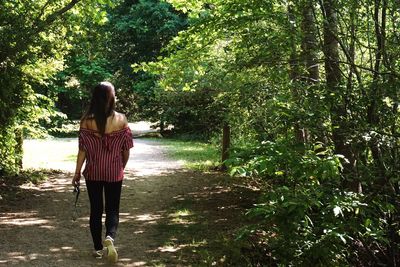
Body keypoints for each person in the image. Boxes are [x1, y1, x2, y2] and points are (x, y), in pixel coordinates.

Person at [72, 81, 133, 262]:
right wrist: (121, 167)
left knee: (96, 210)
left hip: (93, 172)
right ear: (110, 98)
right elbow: (126, 150)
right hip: (114, 172)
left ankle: (98, 249)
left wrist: (76, 173)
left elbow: (82, 150)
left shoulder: (86, 121)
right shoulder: (121, 120)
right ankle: (110, 238)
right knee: (113, 209)